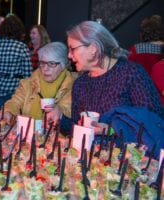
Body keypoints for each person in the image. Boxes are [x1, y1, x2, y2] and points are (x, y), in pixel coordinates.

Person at [64, 20, 164, 158]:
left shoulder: (130, 73)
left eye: (72, 48)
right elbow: (78, 127)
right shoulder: (80, 84)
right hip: (91, 164)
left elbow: (153, 122)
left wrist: (112, 130)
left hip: (128, 165)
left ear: (93, 48)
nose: (69, 55)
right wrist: (60, 119)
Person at [4, 42, 74, 131]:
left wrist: (58, 111)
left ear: (63, 65)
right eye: (42, 63)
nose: (45, 68)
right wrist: (9, 112)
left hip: (54, 138)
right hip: (26, 133)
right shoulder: (29, 83)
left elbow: (67, 111)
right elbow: (15, 101)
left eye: (52, 64)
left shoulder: (72, 87)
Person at [0, 15, 32, 108]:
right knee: (12, 120)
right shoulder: (22, 47)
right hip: (14, 93)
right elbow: (28, 75)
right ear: (19, 30)